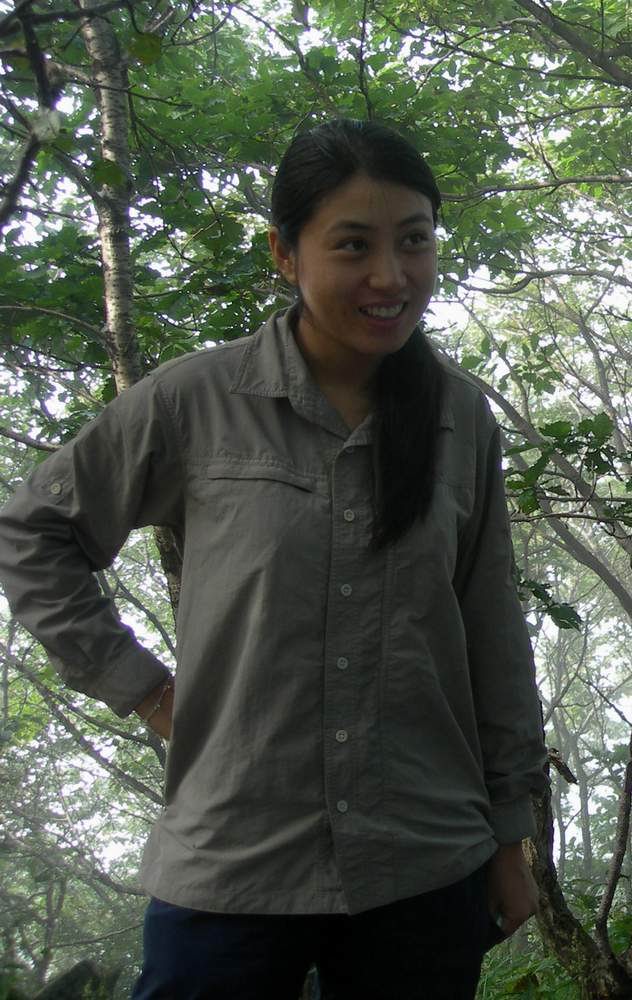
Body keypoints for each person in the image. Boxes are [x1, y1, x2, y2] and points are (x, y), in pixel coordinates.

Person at [0, 118, 547, 999]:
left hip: (422, 857)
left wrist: (512, 834)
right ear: (285, 254)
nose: (390, 276)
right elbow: (32, 531)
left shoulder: (459, 418)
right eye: (353, 245)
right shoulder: (196, 401)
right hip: (234, 859)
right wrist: (144, 688)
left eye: (414, 241)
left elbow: (491, 626)